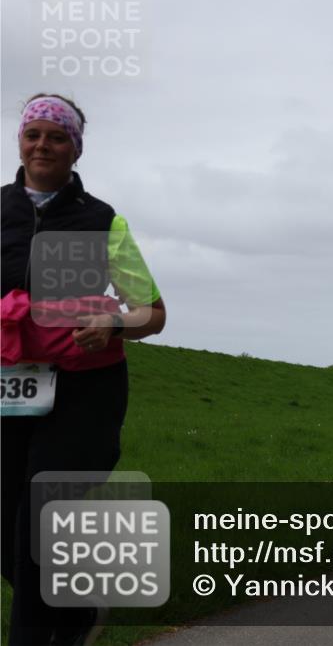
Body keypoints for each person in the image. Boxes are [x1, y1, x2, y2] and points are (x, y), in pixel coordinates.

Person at [2, 94, 167, 646]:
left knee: (34, 518)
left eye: (57, 136)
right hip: (7, 388)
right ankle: (77, 612)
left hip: (82, 392)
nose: (43, 145)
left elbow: (153, 312)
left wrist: (115, 324)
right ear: (19, 142)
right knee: (9, 531)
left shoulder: (102, 220)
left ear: (76, 148)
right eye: (33, 135)